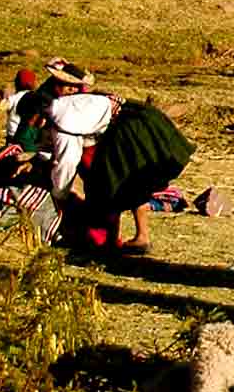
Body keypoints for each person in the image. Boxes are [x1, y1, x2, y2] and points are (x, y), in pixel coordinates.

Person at [42, 69, 195, 255]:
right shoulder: (78, 102)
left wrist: (60, 194)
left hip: (128, 130)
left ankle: (112, 241)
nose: (68, 90)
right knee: (134, 182)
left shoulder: (62, 116)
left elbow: (68, 159)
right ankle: (139, 237)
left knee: (112, 183)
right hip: (141, 120)